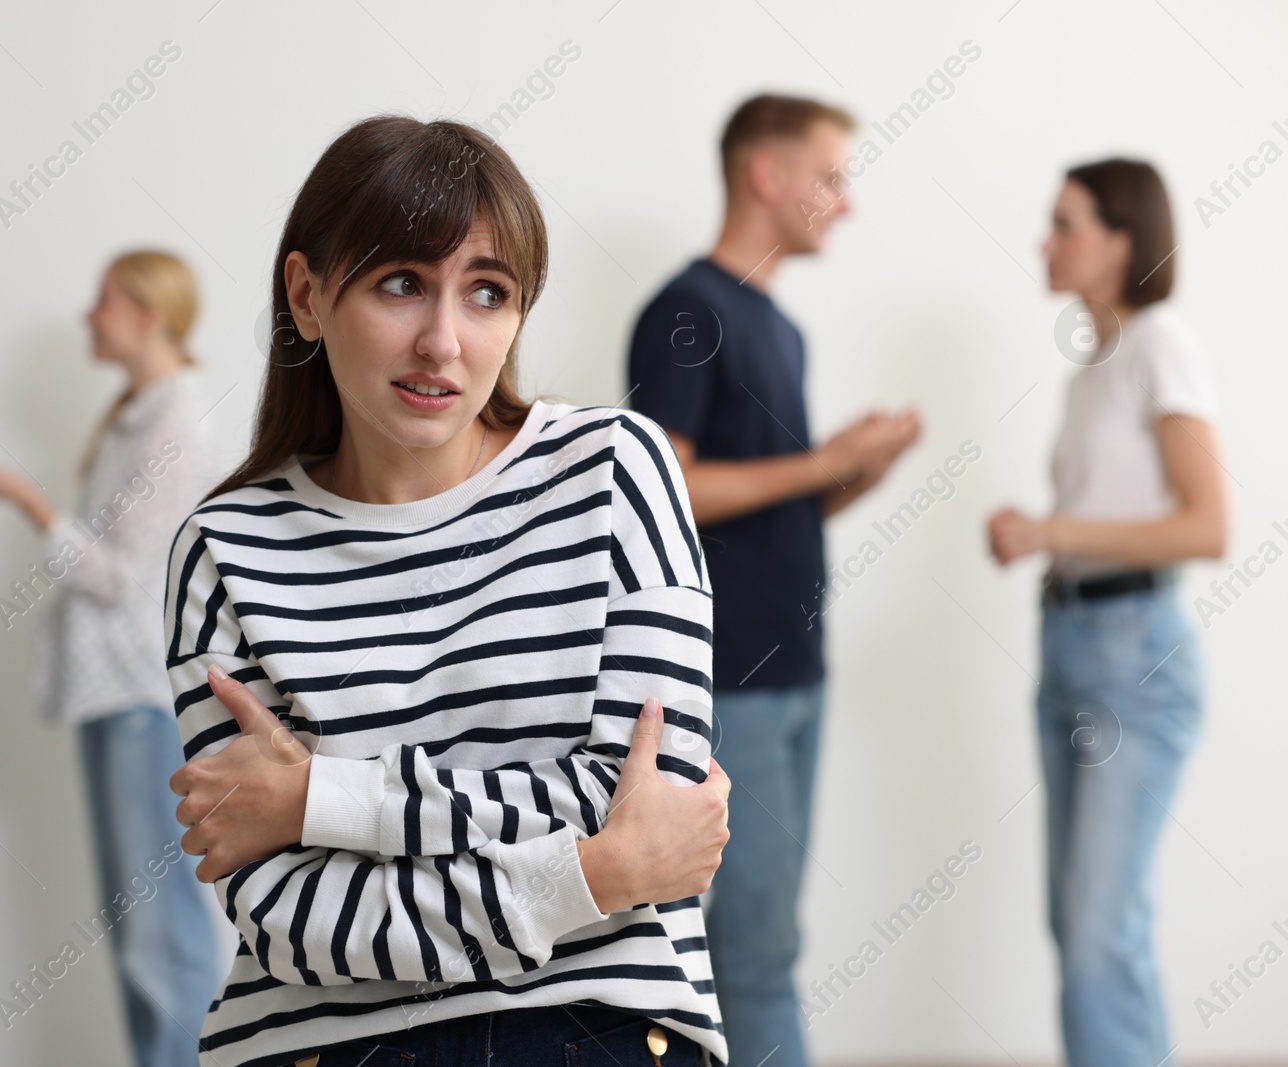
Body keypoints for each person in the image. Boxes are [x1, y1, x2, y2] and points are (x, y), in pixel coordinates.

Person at [163, 114, 733, 1067]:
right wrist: (591, 876)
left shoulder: (613, 471)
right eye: (400, 284)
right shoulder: (227, 549)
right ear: (306, 295)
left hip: (594, 1023)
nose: (443, 341)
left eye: (486, 293)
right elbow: (289, 914)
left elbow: (640, 801)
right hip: (322, 1043)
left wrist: (320, 799)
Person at [625, 94, 919, 1064]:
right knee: (752, 949)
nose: (846, 201)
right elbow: (665, 492)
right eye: (831, 176)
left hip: (797, 674)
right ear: (766, 174)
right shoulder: (686, 308)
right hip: (729, 681)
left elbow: (765, 506)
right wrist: (825, 458)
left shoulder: (782, 331)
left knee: (760, 941)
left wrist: (850, 472)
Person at [0, 251, 224, 1067]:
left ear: (147, 313)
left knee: (159, 936)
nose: (87, 317)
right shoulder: (136, 412)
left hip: (140, 699)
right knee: (138, 929)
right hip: (114, 701)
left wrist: (29, 503)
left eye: (102, 302)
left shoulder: (174, 422)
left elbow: (116, 575)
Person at [987, 159, 1228, 1067]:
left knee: (1099, 933)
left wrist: (1050, 527)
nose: (1046, 241)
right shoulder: (1096, 365)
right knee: (1080, 925)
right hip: (1071, 641)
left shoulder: (1161, 342)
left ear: (1123, 239)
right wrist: (1046, 539)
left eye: (1065, 223)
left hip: (1134, 658)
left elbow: (1207, 525)